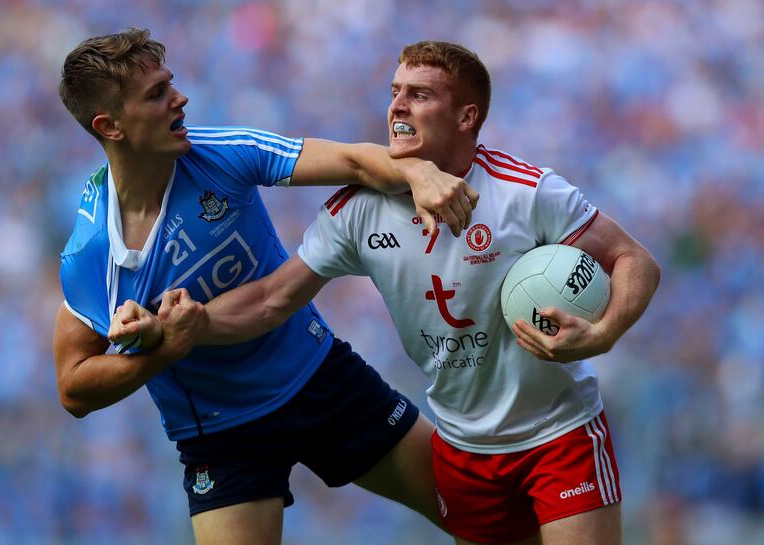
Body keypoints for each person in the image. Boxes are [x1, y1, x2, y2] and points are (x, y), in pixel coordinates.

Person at [115, 41, 661, 545]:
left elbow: (634, 259)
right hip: (463, 448)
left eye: (418, 95)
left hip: (559, 435)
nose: (397, 106)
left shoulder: (527, 192)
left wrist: (603, 333)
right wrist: (186, 326)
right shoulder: (358, 211)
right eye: (394, 92)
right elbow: (270, 300)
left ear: (467, 116)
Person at [52, 29, 480, 545]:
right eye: (157, 94)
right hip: (220, 435)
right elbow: (73, 387)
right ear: (110, 126)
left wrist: (418, 174)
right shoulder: (92, 250)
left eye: (171, 84)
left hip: (320, 376)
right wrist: (164, 349)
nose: (179, 98)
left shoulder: (222, 153)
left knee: (482, 516)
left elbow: (350, 161)